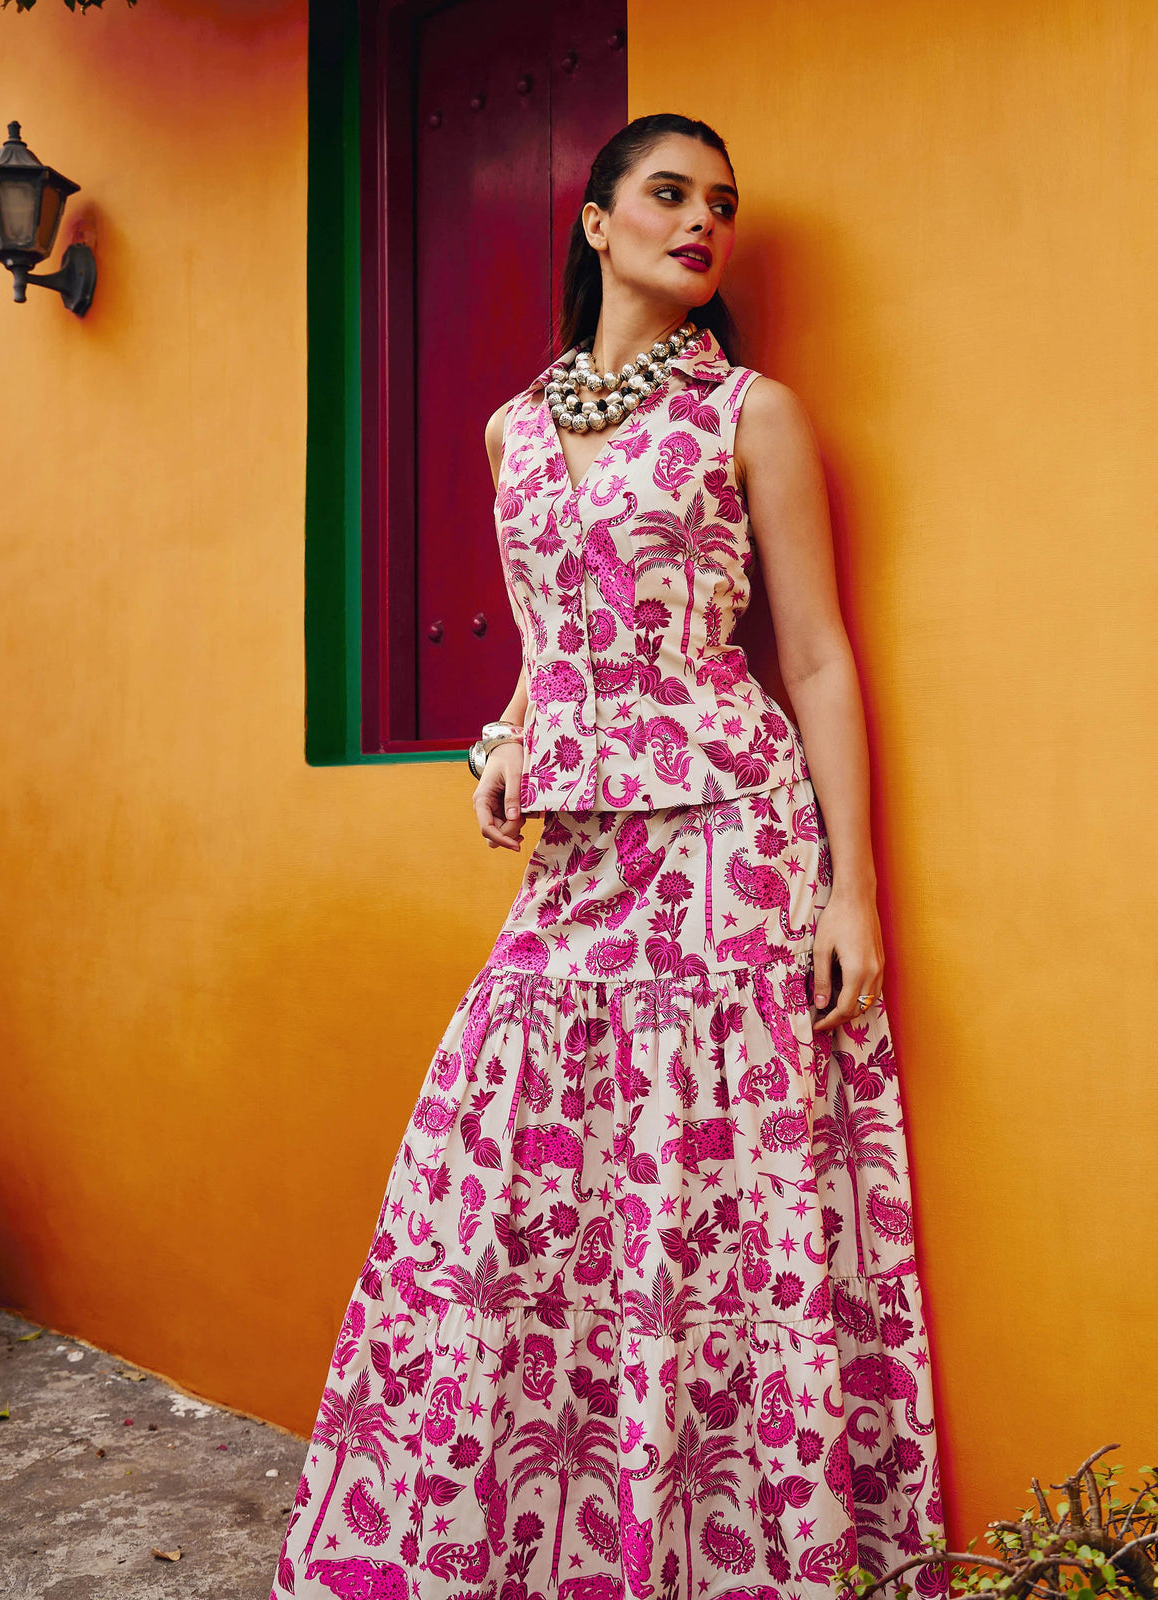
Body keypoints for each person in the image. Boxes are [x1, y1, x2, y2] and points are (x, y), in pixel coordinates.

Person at [273, 112, 946, 1600]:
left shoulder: (750, 413)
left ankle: (718, 1562)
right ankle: (539, 1549)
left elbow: (819, 657)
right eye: (668, 193)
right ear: (591, 222)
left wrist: (852, 889)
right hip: (576, 865)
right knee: (509, 1173)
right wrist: (496, 744)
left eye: (721, 203)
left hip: (729, 845)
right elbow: (543, 651)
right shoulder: (512, 431)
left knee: (708, 1202)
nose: (702, 220)